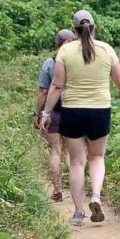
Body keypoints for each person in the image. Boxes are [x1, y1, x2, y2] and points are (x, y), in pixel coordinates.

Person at [41, 10, 120, 225]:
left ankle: (79, 212)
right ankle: (96, 196)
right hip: (100, 110)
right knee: (97, 157)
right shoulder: (106, 49)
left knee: (76, 163)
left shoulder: (65, 50)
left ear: (74, 29)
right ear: (94, 27)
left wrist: (46, 113)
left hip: (72, 110)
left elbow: (56, 85)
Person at [34, 29, 75, 202]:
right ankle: (77, 188)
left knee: (55, 151)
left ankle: (58, 190)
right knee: (72, 153)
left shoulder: (50, 63)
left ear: (56, 43)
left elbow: (44, 92)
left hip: (53, 111)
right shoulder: (78, 61)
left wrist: (39, 113)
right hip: (74, 109)